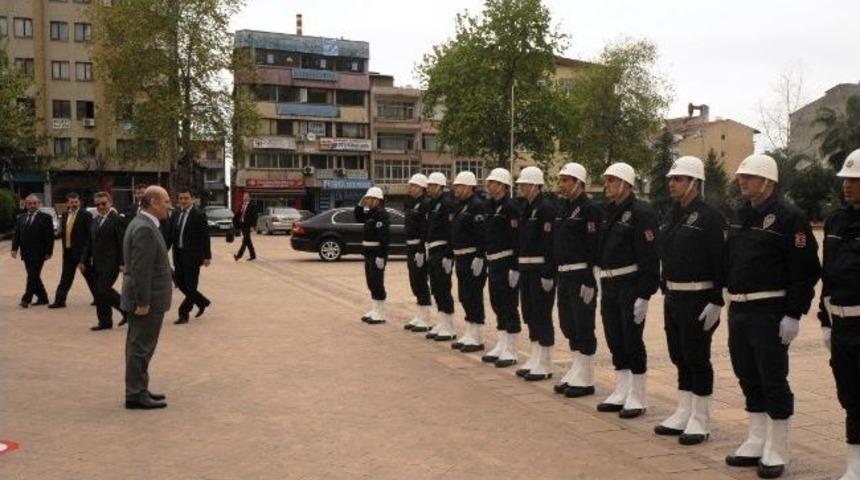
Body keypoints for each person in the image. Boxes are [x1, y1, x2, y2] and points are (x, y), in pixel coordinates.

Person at [723, 154, 820, 479]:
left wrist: (793, 313)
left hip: (770, 309)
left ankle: (777, 447)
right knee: (747, 374)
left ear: (768, 181)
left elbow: (805, 270)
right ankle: (756, 438)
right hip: (740, 307)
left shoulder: (790, 217)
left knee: (773, 378)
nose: (742, 181)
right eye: (741, 176)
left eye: (749, 176)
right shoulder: (739, 215)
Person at [654, 156, 726, 445]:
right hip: (674, 295)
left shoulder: (710, 216)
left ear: (694, 183)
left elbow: (720, 259)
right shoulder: (672, 214)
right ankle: (684, 410)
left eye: (679, 179)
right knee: (678, 355)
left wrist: (717, 299)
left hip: (699, 296)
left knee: (697, 357)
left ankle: (701, 418)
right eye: (671, 179)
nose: (672, 184)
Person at [595, 162, 659, 419]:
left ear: (625, 184)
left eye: (611, 180)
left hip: (630, 283)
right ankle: (621, 389)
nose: (606, 185)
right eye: (606, 180)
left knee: (632, 339)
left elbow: (650, 255)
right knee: (614, 337)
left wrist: (645, 294)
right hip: (609, 283)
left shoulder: (642, 212)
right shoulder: (608, 210)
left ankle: (638, 395)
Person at [820, 148, 860, 480]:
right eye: (845, 179)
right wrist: (824, 319)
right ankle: (854, 465)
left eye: (855, 180)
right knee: (849, 395)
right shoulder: (835, 220)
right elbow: (828, 274)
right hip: (842, 323)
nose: (847, 185)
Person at [552, 163, 602, 398]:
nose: (561, 185)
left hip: (581, 273)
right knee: (567, 323)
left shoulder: (589, 209)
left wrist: (590, 279)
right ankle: (576, 369)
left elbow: (593, 245)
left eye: (565, 180)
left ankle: (587, 377)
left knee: (584, 324)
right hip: (564, 273)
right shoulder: (562, 207)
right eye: (560, 180)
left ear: (579, 183)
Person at [121, 186, 173, 410]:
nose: (169, 205)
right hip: (146, 300)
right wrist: (143, 302)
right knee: (140, 347)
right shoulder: (144, 228)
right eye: (166, 201)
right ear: (153, 203)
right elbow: (141, 269)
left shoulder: (144, 223)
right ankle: (135, 394)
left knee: (139, 345)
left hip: (148, 298)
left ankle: (139, 389)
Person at [514, 166, 557, 381]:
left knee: (542, 314)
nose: (521, 188)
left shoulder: (546, 209)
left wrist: (548, 273)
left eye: (524, 184)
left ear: (534, 185)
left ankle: (546, 362)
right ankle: (535, 356)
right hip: (526, 268)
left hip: (540, 268)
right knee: (529, 313)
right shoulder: (525, 207)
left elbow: (549, 244)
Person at [480, 168, 522, 368]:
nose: (488, 186)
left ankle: (511, 349)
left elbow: (516, 239)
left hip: (506, 261)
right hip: (493, 260)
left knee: (508, 304)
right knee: (497, 302)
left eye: (492, 183)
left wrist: (515, 266)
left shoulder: (511, 207)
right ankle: (502, 342)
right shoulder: (489, 206)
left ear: (503, 186)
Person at [449, 171, 489, 353]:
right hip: (461, 256)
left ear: (468, 187)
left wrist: (480, 256)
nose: (455, 189)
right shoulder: (460, 205)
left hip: (472, 256)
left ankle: (478, 335)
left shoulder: (477, 205)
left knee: (474, 295)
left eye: (458, 186)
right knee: (464, 295)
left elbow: (482, 233)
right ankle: (469, 331)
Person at [79, 192, 127, 331]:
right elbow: (89, 243)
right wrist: (83, 261)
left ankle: (127, 310)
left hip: (111, 263)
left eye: (103, 203)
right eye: (98, 204)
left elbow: (122, 242)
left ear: (110, 203)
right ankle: (105, 322)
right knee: (99, 293)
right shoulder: (94, 221)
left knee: (103, 289)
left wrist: (123, 263)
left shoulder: (117, 220)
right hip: (96, 263)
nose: (101, 206)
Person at [166, 188, 212, 325]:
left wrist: (207, 256)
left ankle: (183, 313)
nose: (183, 201)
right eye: (181, 198)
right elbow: (171, 235)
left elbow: (205, 237)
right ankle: (202, 301)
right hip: (178, 254)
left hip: (193, 256)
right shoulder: (176, 213)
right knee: (180, 283)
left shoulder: (198, 214)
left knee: (191, 285)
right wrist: (163, 249)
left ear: (192, 199)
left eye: (186, 198)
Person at [423, 172, 458, 342]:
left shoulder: (447, 203)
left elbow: (451, 231)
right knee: (436, 287)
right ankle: (442, 321)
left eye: (431, 185)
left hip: (443, 249)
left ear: (439, 186)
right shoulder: (433, 204)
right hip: (433, 249)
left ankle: (449, 326)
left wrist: (448, 255)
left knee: (444, 287)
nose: (428, 188)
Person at [50, 192, 97, 308]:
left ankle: (99, 299)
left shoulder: (85, 215)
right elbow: (64, 233)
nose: (74, 204)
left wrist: (86, 255)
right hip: (68, 253)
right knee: (65, 278)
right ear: (67, 203)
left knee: (90, 278)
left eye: (76, 202)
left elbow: (89, 237)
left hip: (82, 254)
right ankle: (59, 301)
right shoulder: (65, 215)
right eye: (72, 202)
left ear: (79, 202)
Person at [402, 174, 434, 332]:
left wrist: (422, 249)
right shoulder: (411, 203)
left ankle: (426, 317)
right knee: (414, 280)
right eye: (410, 185)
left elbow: (425, 228)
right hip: (410, 246)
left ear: (422, 188)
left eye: (414, 185)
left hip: (419, 247)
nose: (410, 188)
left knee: (421, 280)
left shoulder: (426, 204)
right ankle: (420, 314)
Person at [11, 194, 55, 308]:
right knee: (34, 276)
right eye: (29, 203)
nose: (32, 205)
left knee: (32, 276)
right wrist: (14, 249)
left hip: (39, 253)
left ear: (39, 204)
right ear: (26, 204)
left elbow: (49, 237)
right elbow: (17, 235)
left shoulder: (45, 218)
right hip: (26, 253)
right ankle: (43, 298)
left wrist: (49, 252)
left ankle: (26, 299)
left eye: (34, 203)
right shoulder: (21, 217)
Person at [355, 187, 389, 325]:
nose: (367, 201)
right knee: (371, 282)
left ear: (377, 200)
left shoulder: (381, 214)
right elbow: (358, 217)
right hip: (369, 252)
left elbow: (384, 237)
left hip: (376, 253)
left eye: (369, 199)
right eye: (367, 199)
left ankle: (380, 313)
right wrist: (360, 204)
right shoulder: (371, 213)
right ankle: (375, 309)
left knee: (377, 282)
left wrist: (381, 255)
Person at [233, 192, 258, 261]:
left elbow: (255, 216)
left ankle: (238, 255)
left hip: (248, 225)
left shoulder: (252, 205)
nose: (245, 197)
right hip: (242, 224)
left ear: (249, 198)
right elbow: (239, 214)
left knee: (245, 240)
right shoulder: (242, 205)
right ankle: (253, 255)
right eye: (244, 196)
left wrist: (253, 226)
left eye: (246, 196)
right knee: (247, 241)